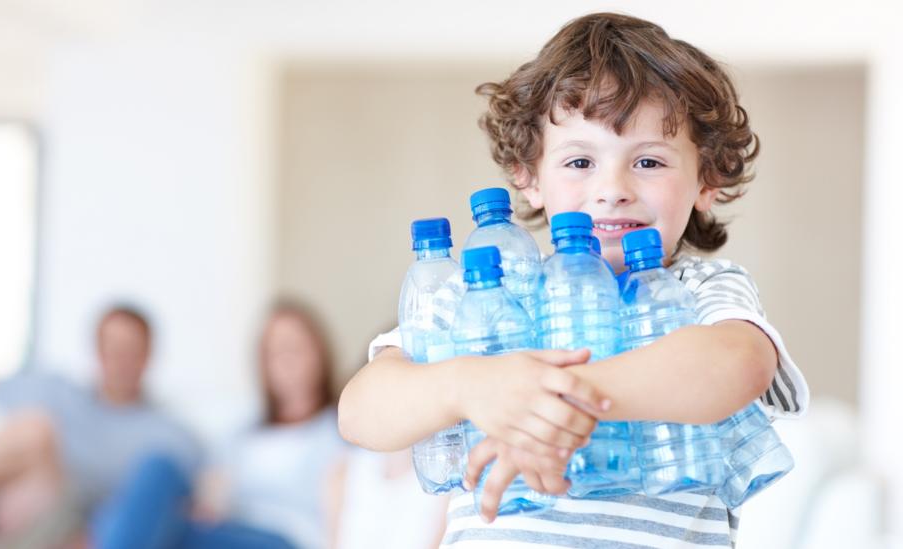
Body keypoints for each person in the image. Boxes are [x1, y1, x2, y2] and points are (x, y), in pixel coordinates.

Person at [338, 12, 810, 548]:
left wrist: (557, 399)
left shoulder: (701, 289)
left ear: (708, 180)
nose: (613, 188)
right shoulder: (487, 292)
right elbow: (360, 411)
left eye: (650, 162)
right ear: (527, 176)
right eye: (581, 161)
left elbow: (738, 364)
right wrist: (471, 385)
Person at [0, 304, 202, 547]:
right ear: (97, 351)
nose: (122, 362)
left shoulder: (167, 433)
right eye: (113, 350)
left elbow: (201, 498)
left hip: (68, 524)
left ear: (148, 356)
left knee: (37, 432)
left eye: (132, 351)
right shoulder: (59, 391)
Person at [94, 298, 346, 549]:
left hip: (286, 540)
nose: (285, 361)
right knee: (156, 471)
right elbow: (211, 494)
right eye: (274, 352)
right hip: (228, 529)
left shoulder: (338, 430)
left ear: (320, 353)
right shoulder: (240, 435)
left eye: (294, 348)